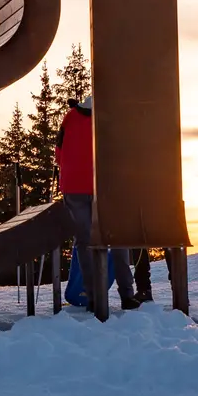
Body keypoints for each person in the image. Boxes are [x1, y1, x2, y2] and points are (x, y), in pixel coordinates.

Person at [56, 94, 138, 311]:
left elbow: (58, 153)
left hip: (73, 187)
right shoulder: (109, 118)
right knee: (118, 238)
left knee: (84, 241)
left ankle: (93, 297)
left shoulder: (69, 117)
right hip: (106, 187)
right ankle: (127, 296)